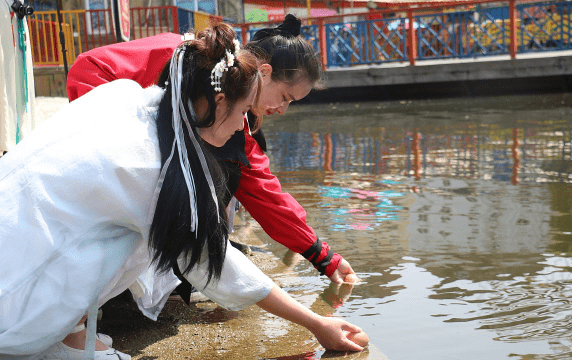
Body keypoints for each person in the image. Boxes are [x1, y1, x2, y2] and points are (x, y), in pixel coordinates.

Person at [0, 23, 366, 359]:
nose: (243, 128)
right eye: (242, 116)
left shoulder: (130, 98)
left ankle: (69, 330)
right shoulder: (148, 167)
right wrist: (317, 324)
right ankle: (61, 338)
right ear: (221, 100)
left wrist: (318, 254)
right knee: (153, 233)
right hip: (9, 304)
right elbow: (214, 261)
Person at [66, 14, 358, 301]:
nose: (282, 109)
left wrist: (323, 256)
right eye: (285, 97)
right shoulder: (180, 54)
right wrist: (136, 141)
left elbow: (266, 193)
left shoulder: (236, 123)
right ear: (265, 72)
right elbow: (90, 67)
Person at [1, 0, 37, 156]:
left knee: (17, 75)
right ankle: (7, 137)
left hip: (16, 13)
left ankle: (20, 134)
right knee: (5, 74)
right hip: (4, 12)